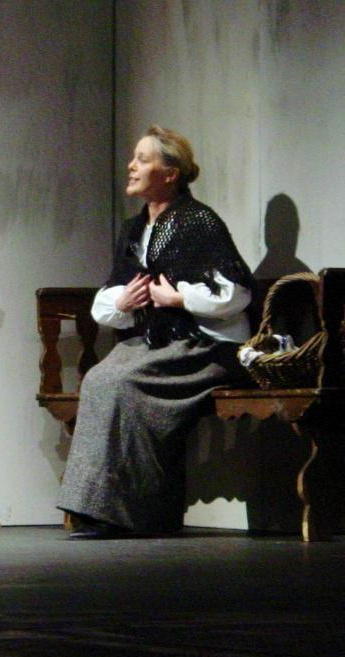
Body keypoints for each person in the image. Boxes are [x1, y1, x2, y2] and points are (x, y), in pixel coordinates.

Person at [58, 126, 255, 539]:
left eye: (143, 159)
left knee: (123, 382)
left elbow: (236, 292)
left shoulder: (198, 221)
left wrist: (179, 299)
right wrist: (123, 302)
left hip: (205, 346)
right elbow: (112, 296)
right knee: (99, 379)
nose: (131, 166)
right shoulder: (134, 230)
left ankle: (135, 512)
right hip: (156, 342)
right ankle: (97, 507)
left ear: (170, 173)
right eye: (133, 158)